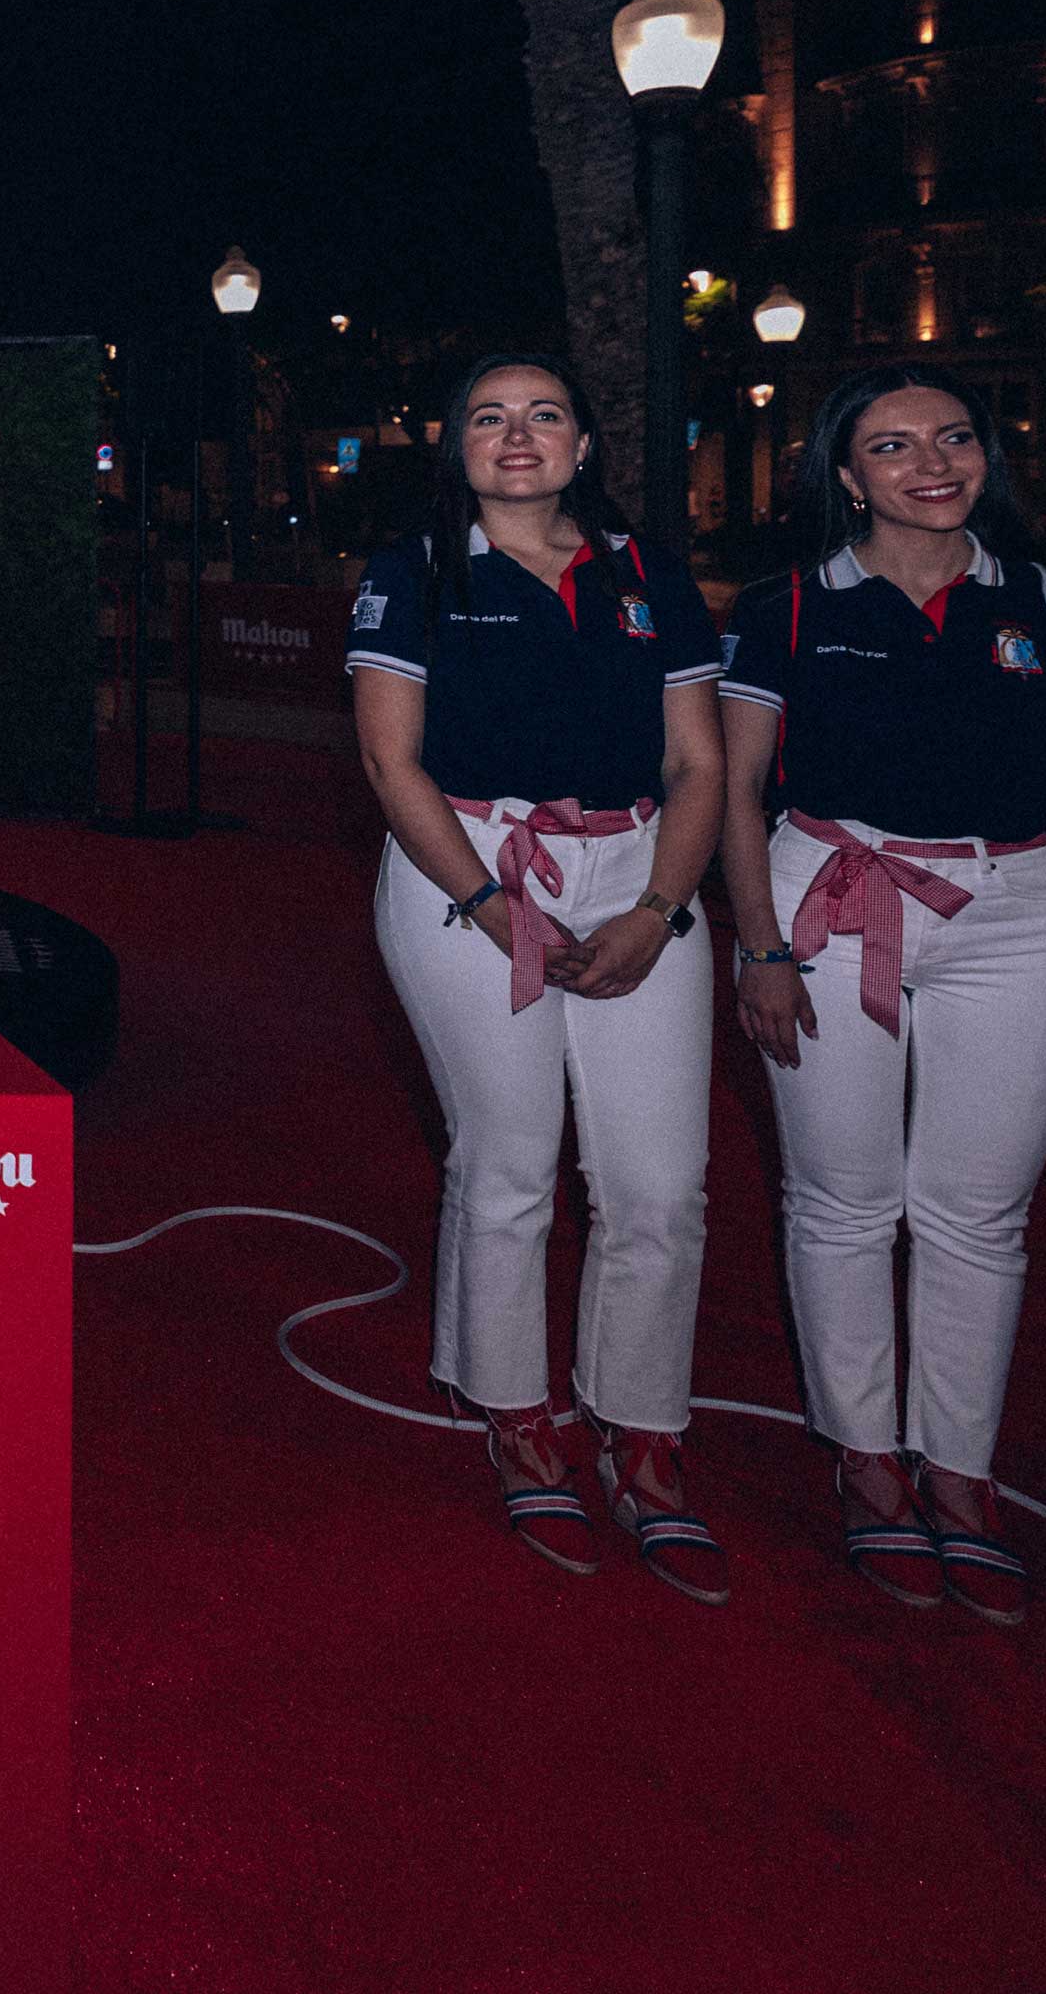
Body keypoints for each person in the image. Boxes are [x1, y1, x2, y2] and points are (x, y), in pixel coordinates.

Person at [717, 365, 1046, 1627]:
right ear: (847, 476)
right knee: (842, 1200)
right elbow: (732, 790)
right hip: (829, 899)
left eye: (952, 438)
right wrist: (759, 948)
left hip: (1015, 916)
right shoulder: (787, 606)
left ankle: (959, 1472)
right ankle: (866, 1460)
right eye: (891, 446)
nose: (930, 464)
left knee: (977, 1216)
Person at [346, 354, 731, 1599]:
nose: (517, 436)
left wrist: (659, 910)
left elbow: (698, 765)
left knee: (660, 1185)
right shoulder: (414, 571)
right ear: (455, 447)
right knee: (509, 1162)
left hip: (637, 870)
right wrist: (488, 902)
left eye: (544, 415)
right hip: (465, 867)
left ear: (582, 446)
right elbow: (391, 764)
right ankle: (517, 1416)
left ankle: (643, 1434)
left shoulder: (646, 576)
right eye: (489, 418)